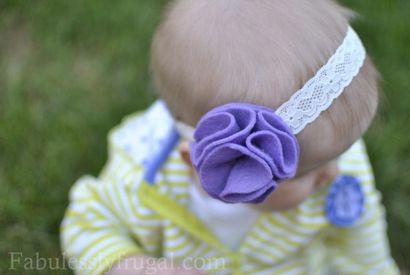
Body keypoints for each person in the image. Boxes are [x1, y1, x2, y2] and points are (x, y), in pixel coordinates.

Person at [60, 0, 399, 274]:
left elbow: (364, 244)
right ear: (194, 162)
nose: (334, 174)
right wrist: (133, 266)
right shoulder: (143, 179)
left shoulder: (330, 160)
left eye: (341, 153)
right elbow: (86, 226)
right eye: (305, 174)